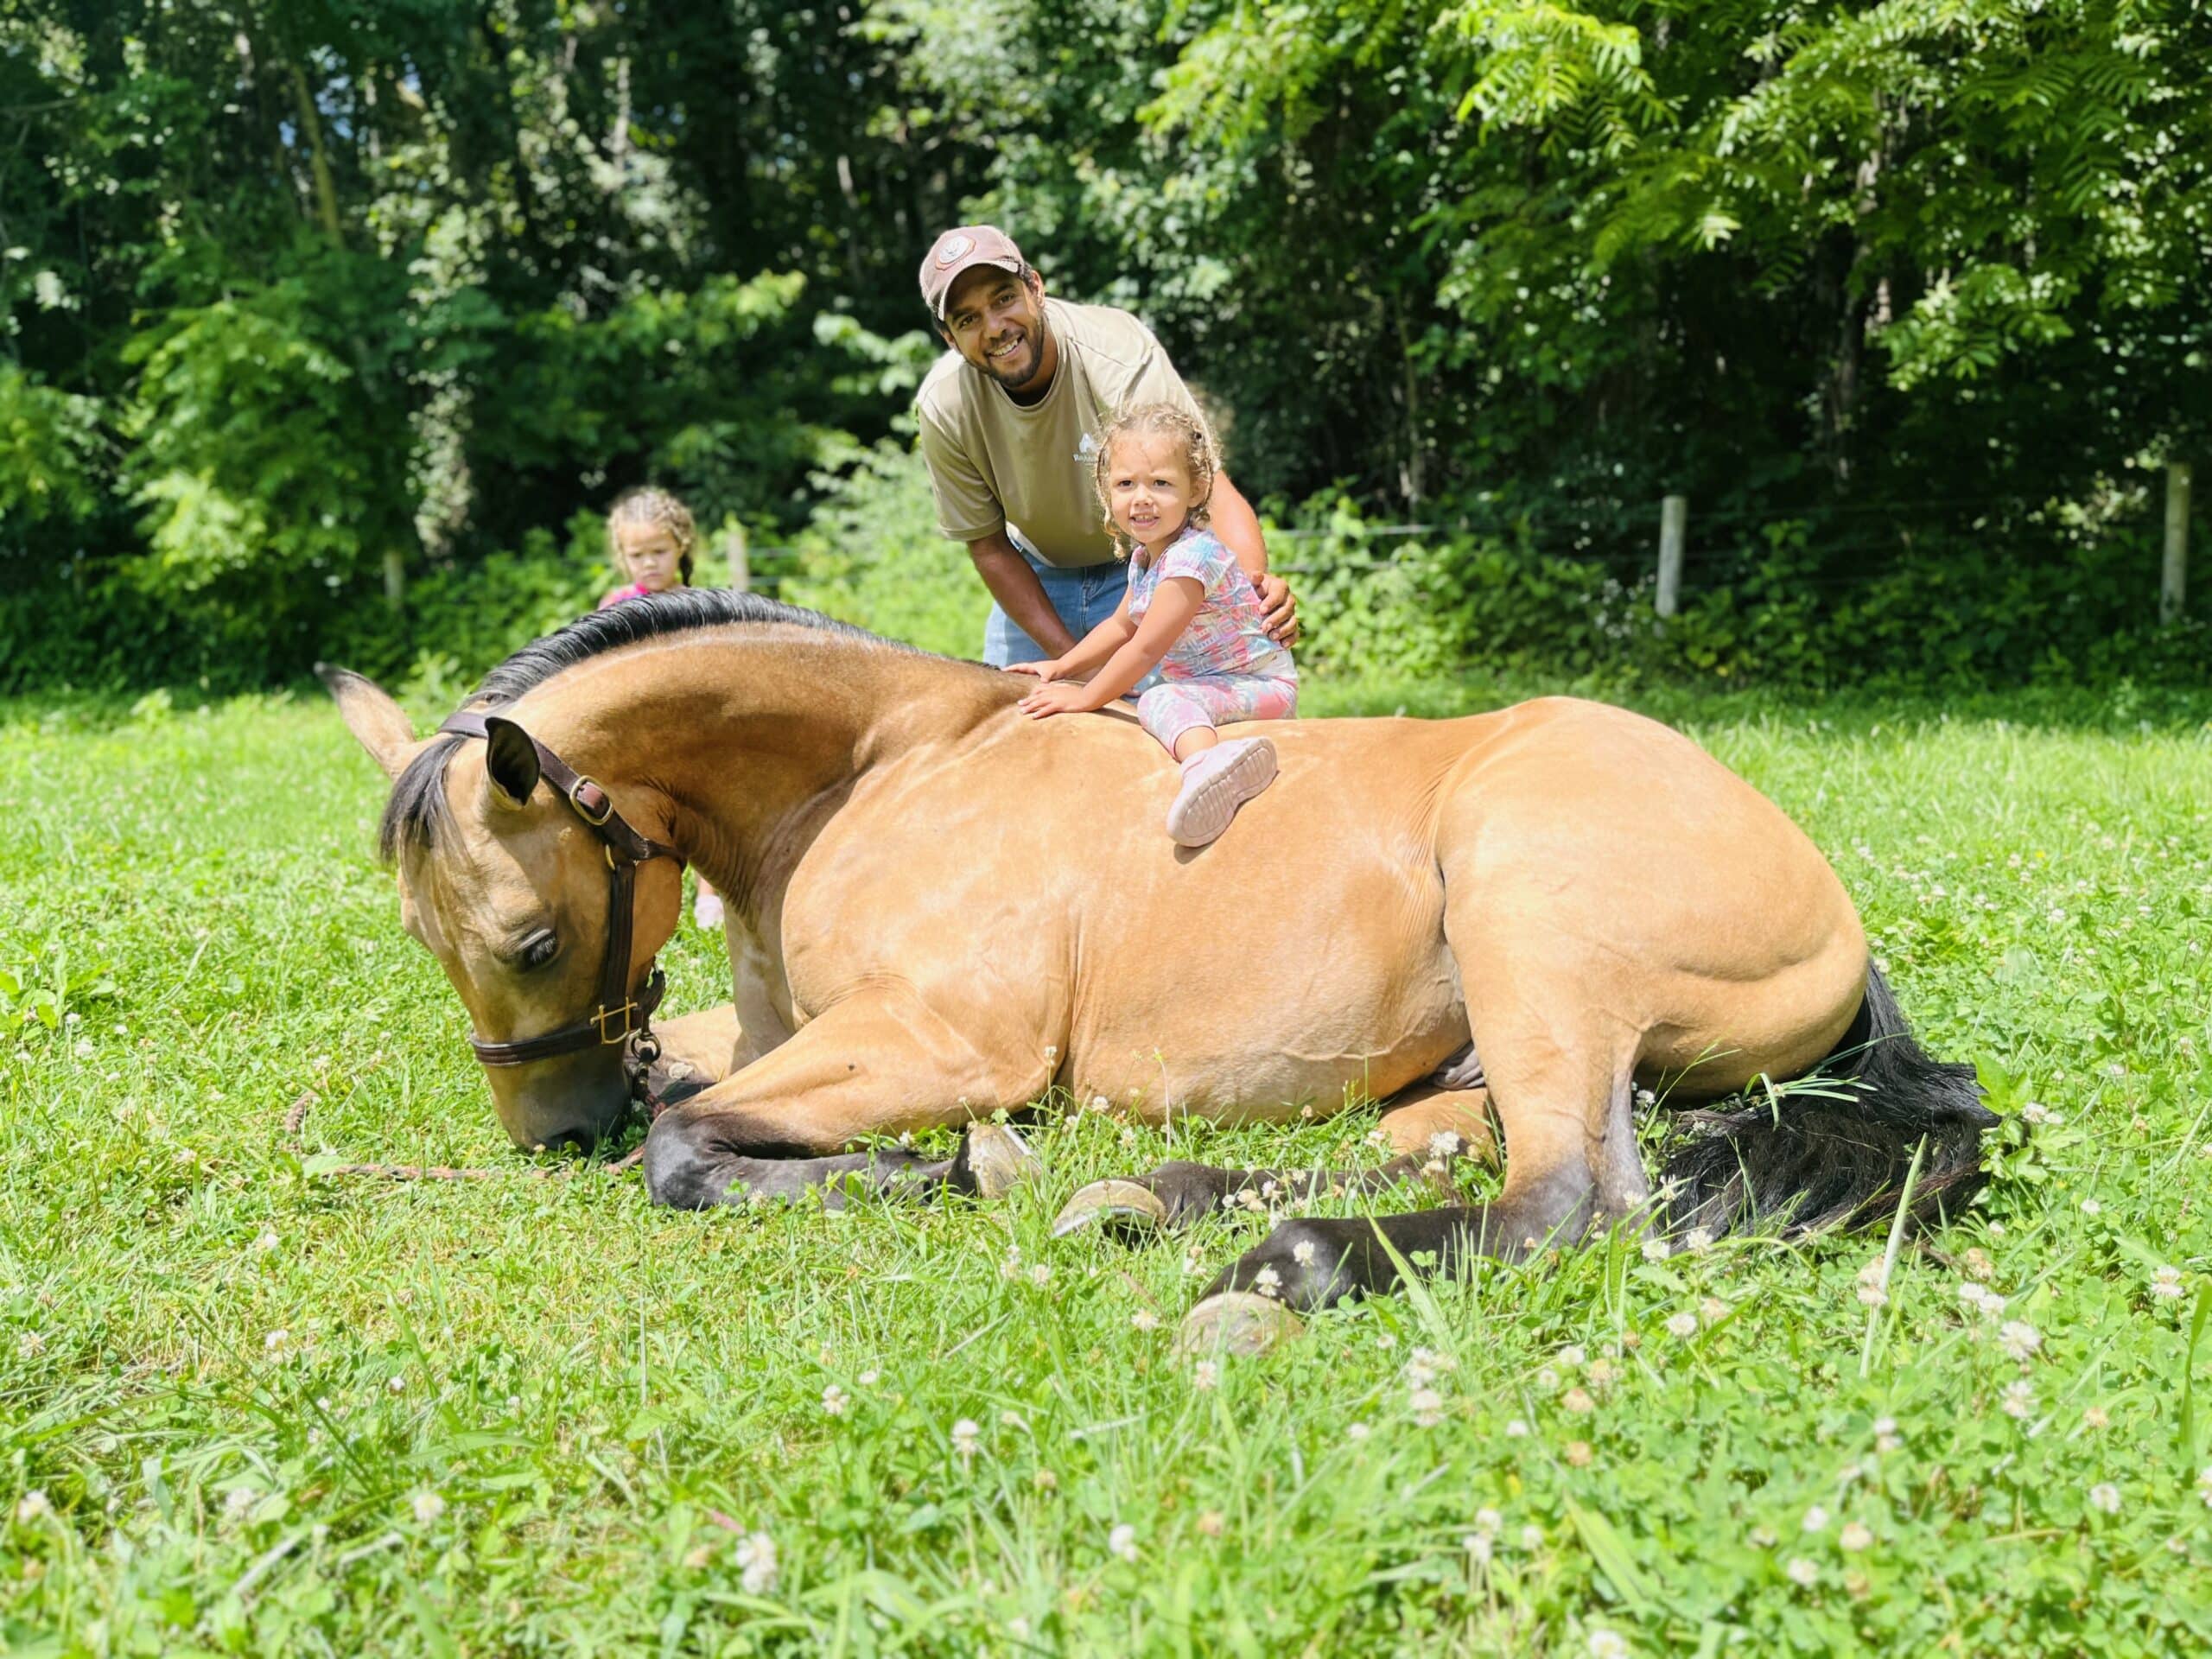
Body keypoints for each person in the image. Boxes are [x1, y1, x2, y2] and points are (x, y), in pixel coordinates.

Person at [912, 225, 1297, 671]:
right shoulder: (945, 405)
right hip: (1036, 576)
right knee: (1015, 712)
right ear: (950, 338)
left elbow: (1207, 488)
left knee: (1181, 708)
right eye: (968, 320)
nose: (995, 328)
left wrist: (1252, 592)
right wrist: (1073, 664)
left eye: (1004, 299)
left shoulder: (1117, 353)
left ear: (1035, 288)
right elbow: (989, 547)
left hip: (1152, 561)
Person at [1007, 403, 1295, 847]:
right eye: (1126, 484)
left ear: (1196, 490)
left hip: (1257, 686)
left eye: (1160, 483)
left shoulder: (1191, 559)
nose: (1142, 497)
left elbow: (1144, 648)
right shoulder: (1145, 558)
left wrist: (1084, 696)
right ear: (1107, 492)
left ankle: (1211, 769)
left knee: (1158, 699)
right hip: (1210, 684)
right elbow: (1120, 626)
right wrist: (1060, 667)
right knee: (1157, 695)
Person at [597, 486, 724, 929]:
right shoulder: (616, 606)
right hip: (637, 727)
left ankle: (710, 895)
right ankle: (644, 893)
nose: (649, 562)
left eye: (659, 551)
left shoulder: (700, 606)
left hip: (692, 724)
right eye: (638, 555)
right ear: (623, 556)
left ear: (681, 547)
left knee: (706, 806)